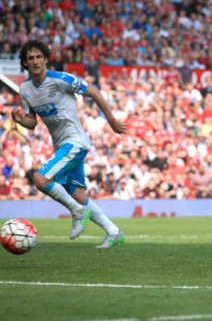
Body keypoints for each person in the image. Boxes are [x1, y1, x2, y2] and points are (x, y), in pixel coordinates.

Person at [11, 39, 127, 248]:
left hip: (75, 141)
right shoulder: (25, 88)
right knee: (77, 193)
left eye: (39, 57)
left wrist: (111, 120)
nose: (35, 61)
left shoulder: (60, 79)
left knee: (40, 179)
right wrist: (20, 119)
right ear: (25, 63)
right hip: (61, 145)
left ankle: (77, 211)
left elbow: (93, 91)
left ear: (46, 59)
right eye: (31, 58)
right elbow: (32, 122)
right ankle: (113, 231)